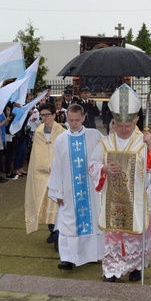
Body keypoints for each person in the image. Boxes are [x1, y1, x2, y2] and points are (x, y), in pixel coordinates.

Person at [90, 84, 151, 282]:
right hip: (114, 200)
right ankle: (112, 269)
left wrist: (150, 147)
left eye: (128, 126)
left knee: (137, 235)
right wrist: (103, 169)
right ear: (113, 122)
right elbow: (92, 165)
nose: (124, 130)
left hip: (139, 198)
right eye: (119, 126)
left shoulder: (143, 141)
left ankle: (135, 267)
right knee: (114, 237)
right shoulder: (105, 143)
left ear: (136, 120)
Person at [47, 103, 104, 270]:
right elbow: (56, 166)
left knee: (92, 221)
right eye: (70, 120)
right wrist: (57, 190)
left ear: (83, 118)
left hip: (90, 190)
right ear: (66, 119)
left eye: (77, 120)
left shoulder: (95, 136)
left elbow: (106, 154)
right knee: (68, 223)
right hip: (69, 190)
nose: (74, 123)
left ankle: (93, 255)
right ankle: (67, 259)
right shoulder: (61, 140)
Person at [24, 103, 66, 237]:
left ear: (54, 115)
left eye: (47, 115)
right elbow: (36, 154)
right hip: (41, 173)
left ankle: (58, 232)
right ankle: (52, 230)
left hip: (57, 173)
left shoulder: (62, 133)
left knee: (56, 204)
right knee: (43, 200)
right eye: (42, 115)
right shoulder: (39, 132)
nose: (44, 118)